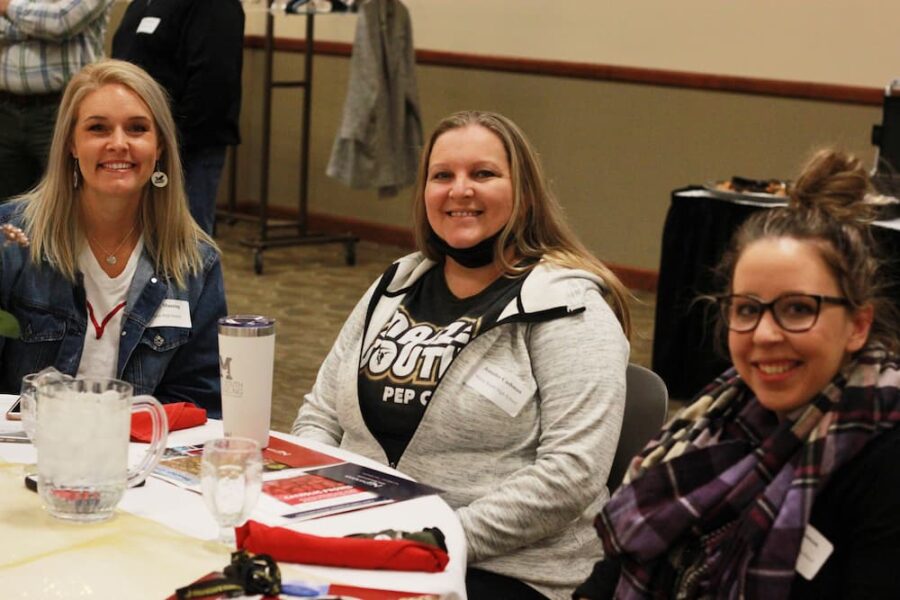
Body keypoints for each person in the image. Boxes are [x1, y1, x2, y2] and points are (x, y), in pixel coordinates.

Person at [293, 111, 631, 599]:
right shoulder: (395, 285)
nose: (460, 190)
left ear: (524, 193)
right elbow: (320, 413)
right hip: (364, 540)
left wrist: (430, 539)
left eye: (484, 174)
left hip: (511, 569)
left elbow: (572, 474)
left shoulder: (567, 306)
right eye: (442, 175)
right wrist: (315, 499)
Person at [576, 149, 900, 599]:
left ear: (858, 326)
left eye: (799, 309)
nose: (765, 334)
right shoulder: (716, 417)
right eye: (747, 309)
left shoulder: (882, 460)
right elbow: (610, 577)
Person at [0, 59, 227, 416]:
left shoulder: (196, 263)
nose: (119, 144)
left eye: (137, 129)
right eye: (98, 129)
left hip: (134, 460)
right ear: (71, 145)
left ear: (160, 147)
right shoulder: (11, 241)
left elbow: (200, 403)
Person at [112, 0, 245, 235]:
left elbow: (212, 84)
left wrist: (169, 143)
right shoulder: (143, 3)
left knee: (183, 249)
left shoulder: (215, 6)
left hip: (186, 151)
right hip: (139, 148)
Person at [0, 0, 115, 202]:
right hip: (7, 109)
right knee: (9, 203)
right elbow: (50, 24)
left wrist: (8, 9)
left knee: (67, 197)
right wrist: (36, 25)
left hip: (64, 109)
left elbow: (61, 21)